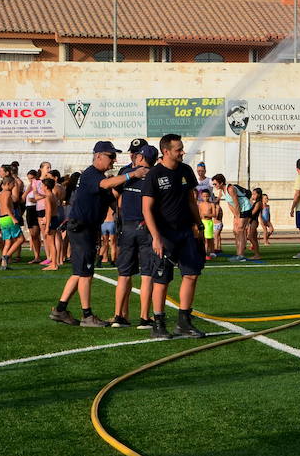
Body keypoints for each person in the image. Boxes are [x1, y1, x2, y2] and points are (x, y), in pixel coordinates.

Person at [51, 142, 132, 327]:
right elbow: (106, 184)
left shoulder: (97, 177)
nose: (114, 160)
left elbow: (111, 196)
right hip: (82, 228)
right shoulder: (91, 174)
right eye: (111, 156)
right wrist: (131, 175)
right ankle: (87, 316)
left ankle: (60, 310)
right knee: (86, 273)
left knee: (79, 272)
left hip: (86, 228)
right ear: (98, 156)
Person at [141, 133, 207, 339]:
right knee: (162, 280)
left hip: (186, 232)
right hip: (164, 235)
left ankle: (184, 322)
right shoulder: (154, 175)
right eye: (178, 149)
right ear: (166, 151)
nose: (182, 152)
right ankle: (158, 323)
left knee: (191, 274)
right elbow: (146, 210)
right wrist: (156, 237)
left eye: (182, 148)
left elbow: (190, 201)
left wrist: (199, 225)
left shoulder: (186, 170)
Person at [112, 144, 158, 328]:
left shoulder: (126, 172)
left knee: (123, 274)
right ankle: (144, 317)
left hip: (128, 226)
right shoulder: (155, 175)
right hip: (146, 226)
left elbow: (115, 191)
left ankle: (119, 316)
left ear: (140, 157)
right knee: (147, 274)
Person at [0, 173, 25, 269]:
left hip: (2, 219)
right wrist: (13, 218)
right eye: (13, 185)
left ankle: (3, 265)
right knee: (21, 239)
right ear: (8, 184)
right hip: (8, 218)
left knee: (7, 242)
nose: (14, 186)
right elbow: (7, 207)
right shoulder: (7, 193)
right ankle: (6, 256)